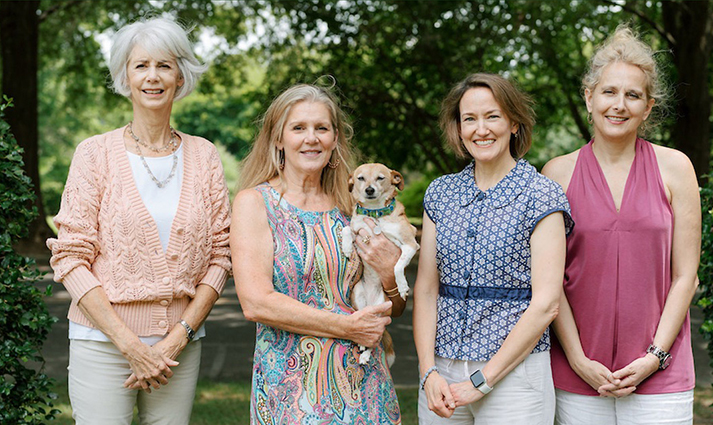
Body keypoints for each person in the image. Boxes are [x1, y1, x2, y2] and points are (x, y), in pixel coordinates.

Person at [46, 17, 230, 424]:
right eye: (140, 65)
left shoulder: (204, 156)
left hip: (179, 347)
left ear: (181, 76)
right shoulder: (93, 154)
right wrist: (130, 344)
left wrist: (178, 336)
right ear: (125, 76)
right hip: (103, 343)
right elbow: (70, 258)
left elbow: (221, 256)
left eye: (165, 65)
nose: (153, 76)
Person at [542, 25, 701, 424]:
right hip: (577, 376)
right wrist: (578, 360)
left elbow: (686, 276)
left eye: (633, 95)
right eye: (610, 92)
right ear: (589, 96)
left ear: (648, 107)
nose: (619, 104)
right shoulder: (556, 174)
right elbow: (550, 279)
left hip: (661, 375)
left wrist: (654, 357)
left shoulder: (676, 168)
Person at [231, 83, 405, 423]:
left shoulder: (353, 207)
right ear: (278, 139)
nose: (311, 138)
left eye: (321, 128)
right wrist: (347, 327)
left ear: (335, 138)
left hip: (365, 384)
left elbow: (394, 307)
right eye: (298, 128)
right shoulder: (256, 203)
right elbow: (256, 302)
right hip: (290, 389)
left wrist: (389, 273)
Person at [413, 73, 574, 423]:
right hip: (441, 374)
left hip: (514, 378)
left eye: (492, 116)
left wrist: (483, 381)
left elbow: (546, 303)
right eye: (469, 119)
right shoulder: (440, 194)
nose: (480, 129)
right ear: (458, 128)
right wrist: (428, 372)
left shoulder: (541, 195)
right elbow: (427, 289)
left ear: (514, 123)